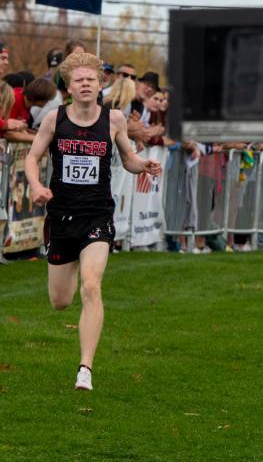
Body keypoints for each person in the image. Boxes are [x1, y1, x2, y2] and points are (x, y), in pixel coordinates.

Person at [25, 51, 162, 391]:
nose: (85, 84)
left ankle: (85, 367)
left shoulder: (113, 120)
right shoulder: (55, 119)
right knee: (61, 301)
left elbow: (128, 159)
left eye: (91, 79)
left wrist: (142, 165)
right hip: (61, 216)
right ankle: (66, 275)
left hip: (97, 215)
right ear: (68, 87)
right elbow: (32, 156)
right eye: (78, 80)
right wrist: (37, 185)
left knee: (92, 285)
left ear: (100, 84)